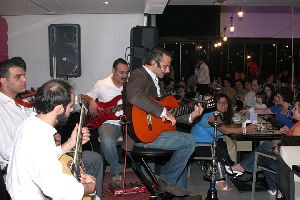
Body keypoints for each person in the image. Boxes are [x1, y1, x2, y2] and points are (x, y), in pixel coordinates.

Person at [0, 58, 103, 200]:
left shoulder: (31, 123)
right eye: (71, 106)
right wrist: (90, 188)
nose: (72, 110)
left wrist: (70, 143)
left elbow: (42, 157)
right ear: (59, 109)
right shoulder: (39, 135)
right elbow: (55, 188)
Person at [125, 47, 203, 197]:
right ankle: (165, 181)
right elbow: (134, 97)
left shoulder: (158, 82)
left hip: (157, 131)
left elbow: (170, 112)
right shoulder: (138, 74)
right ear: (154, 63)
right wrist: (162, 112)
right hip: (142, 135)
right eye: (165, 66)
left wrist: (190, 117)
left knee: (184, 143)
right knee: (189, 141)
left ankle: (181, 194)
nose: (168, 71)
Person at [229, 93, 300, 196]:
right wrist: (288, 131)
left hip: (287, 168)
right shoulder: (296, 125)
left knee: (264, 150)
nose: (293, 110)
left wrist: (278, 148)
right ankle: (273, 188)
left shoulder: (298, 128)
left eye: (296, 109)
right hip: (287, 163)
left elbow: (292, 152)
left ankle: (241, 167)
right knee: (264, 151)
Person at [191, 93, 257, 191]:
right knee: (220, 146)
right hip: (199, 146)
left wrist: (243, 126)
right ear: (214, 104)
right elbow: (225, 130)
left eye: (225, 102)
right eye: (220, 102)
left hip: (210, 144)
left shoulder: (219, 115)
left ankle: (230, 166)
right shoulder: (211, 116)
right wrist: (245, 129)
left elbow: (228, 127)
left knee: (222, 143)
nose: (223, 104)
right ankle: (222, 177)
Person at [84, 58, 129, 182]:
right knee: (107, 141)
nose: (125, 76)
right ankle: (115, 170)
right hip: (110, 123)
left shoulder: (131, 85)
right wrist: (92, 101)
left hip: (129, 122)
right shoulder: (102, 84)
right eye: (121, 72)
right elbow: (87, 96)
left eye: (126, 72)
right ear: (113, 71)